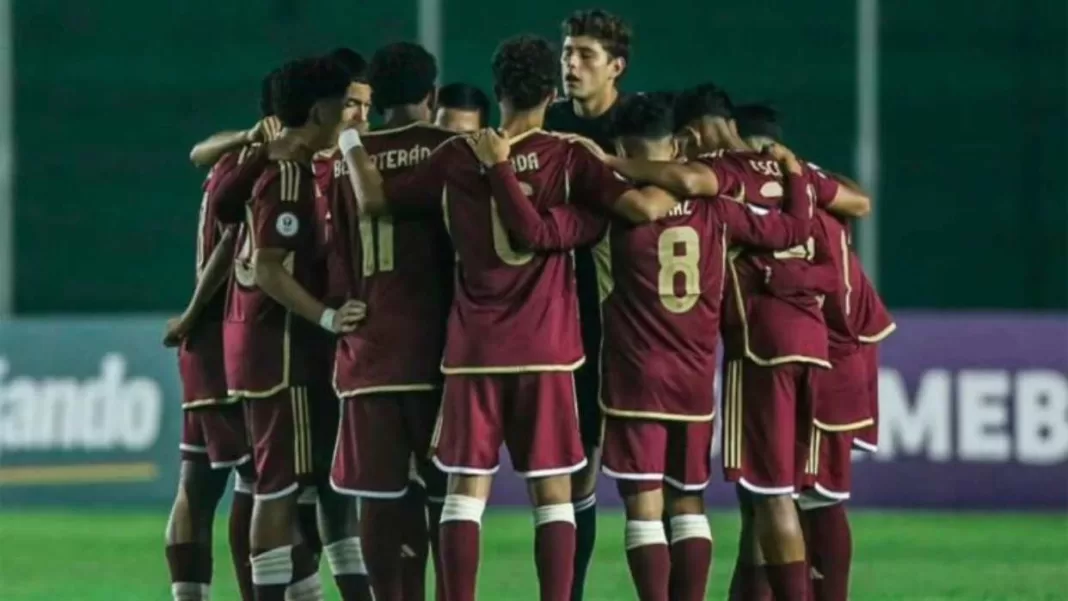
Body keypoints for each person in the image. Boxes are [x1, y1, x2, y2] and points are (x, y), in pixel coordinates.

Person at [337, 34, 680, 601]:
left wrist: (351, 142)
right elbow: (639, 208)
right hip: (546, 350)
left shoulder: (456, 153)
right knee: (554, 495)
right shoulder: (569, 155)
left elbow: (375, 200)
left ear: (496, 91)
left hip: (472, 350)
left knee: (463, 495)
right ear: (551, 91)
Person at [489, 92, 817, 601]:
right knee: (688, 504)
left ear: (622, 144)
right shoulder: (718, 205)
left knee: (643, 507)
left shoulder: (610, 209)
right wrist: (794, 174)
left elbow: (548, 232)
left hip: (632, 376)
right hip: (693, 378)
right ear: (678, 142)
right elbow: (793, 228)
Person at [226, 56, 369, 601]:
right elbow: (267, 268)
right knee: (280, 489)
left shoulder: (292, 165)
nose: (352, 113)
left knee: (300, 487)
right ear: (319, 109)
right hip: (282, 355)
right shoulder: (288, 173)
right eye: (345, 102)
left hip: (270, 351)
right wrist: (328, 316)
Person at [736, 103, 888, 601]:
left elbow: (826, 280)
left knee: (812, 496)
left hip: (830, 348)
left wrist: (772, 277)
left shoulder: (777, 195)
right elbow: (861, 202)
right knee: (772, 497)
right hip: (837, 345)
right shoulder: (812, 182)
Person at [327, 41, 455, 601]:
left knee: (377, 500)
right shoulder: (453, 150)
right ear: (431, 94)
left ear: (375, 100)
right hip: (440, 353)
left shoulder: (346, 159)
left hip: (369, 349)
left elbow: (331, 253)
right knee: (447, 501)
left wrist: (340, 310)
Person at [161, 69, 284, 601]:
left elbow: (197, 152)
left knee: (204, 481)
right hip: (226, 339)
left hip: (210, 343)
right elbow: (231, 246)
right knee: (253, 487)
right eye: (347, 105)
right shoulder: (263, 167)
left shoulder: (231, 158)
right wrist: (192, 315)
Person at [544, 13, 634, 595]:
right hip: (552, 315)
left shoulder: (638, 125)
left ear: (616, 67)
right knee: (566, 463)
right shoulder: (547, 122)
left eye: (585, 55)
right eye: (567, 53)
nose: (571, 64)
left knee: (608, 464)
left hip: (623, 317)